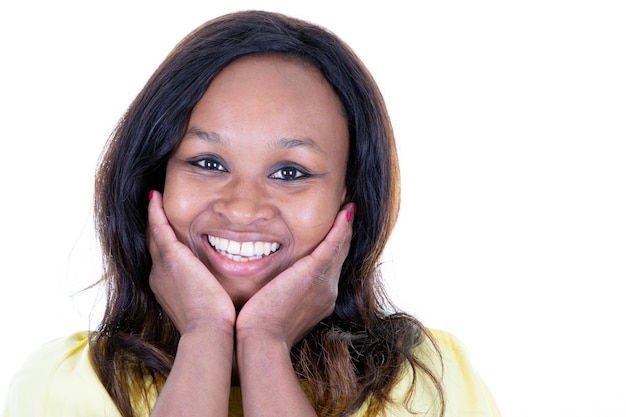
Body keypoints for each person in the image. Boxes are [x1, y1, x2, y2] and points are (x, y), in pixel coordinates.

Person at [3, 10, 501, 417]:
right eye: (207, 162)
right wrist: (205, 336)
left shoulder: (424, 381)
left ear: (349, 202)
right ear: (154, 179)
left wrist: (265, 344)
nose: (242, 208)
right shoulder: (65, 383)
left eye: (290, 172)